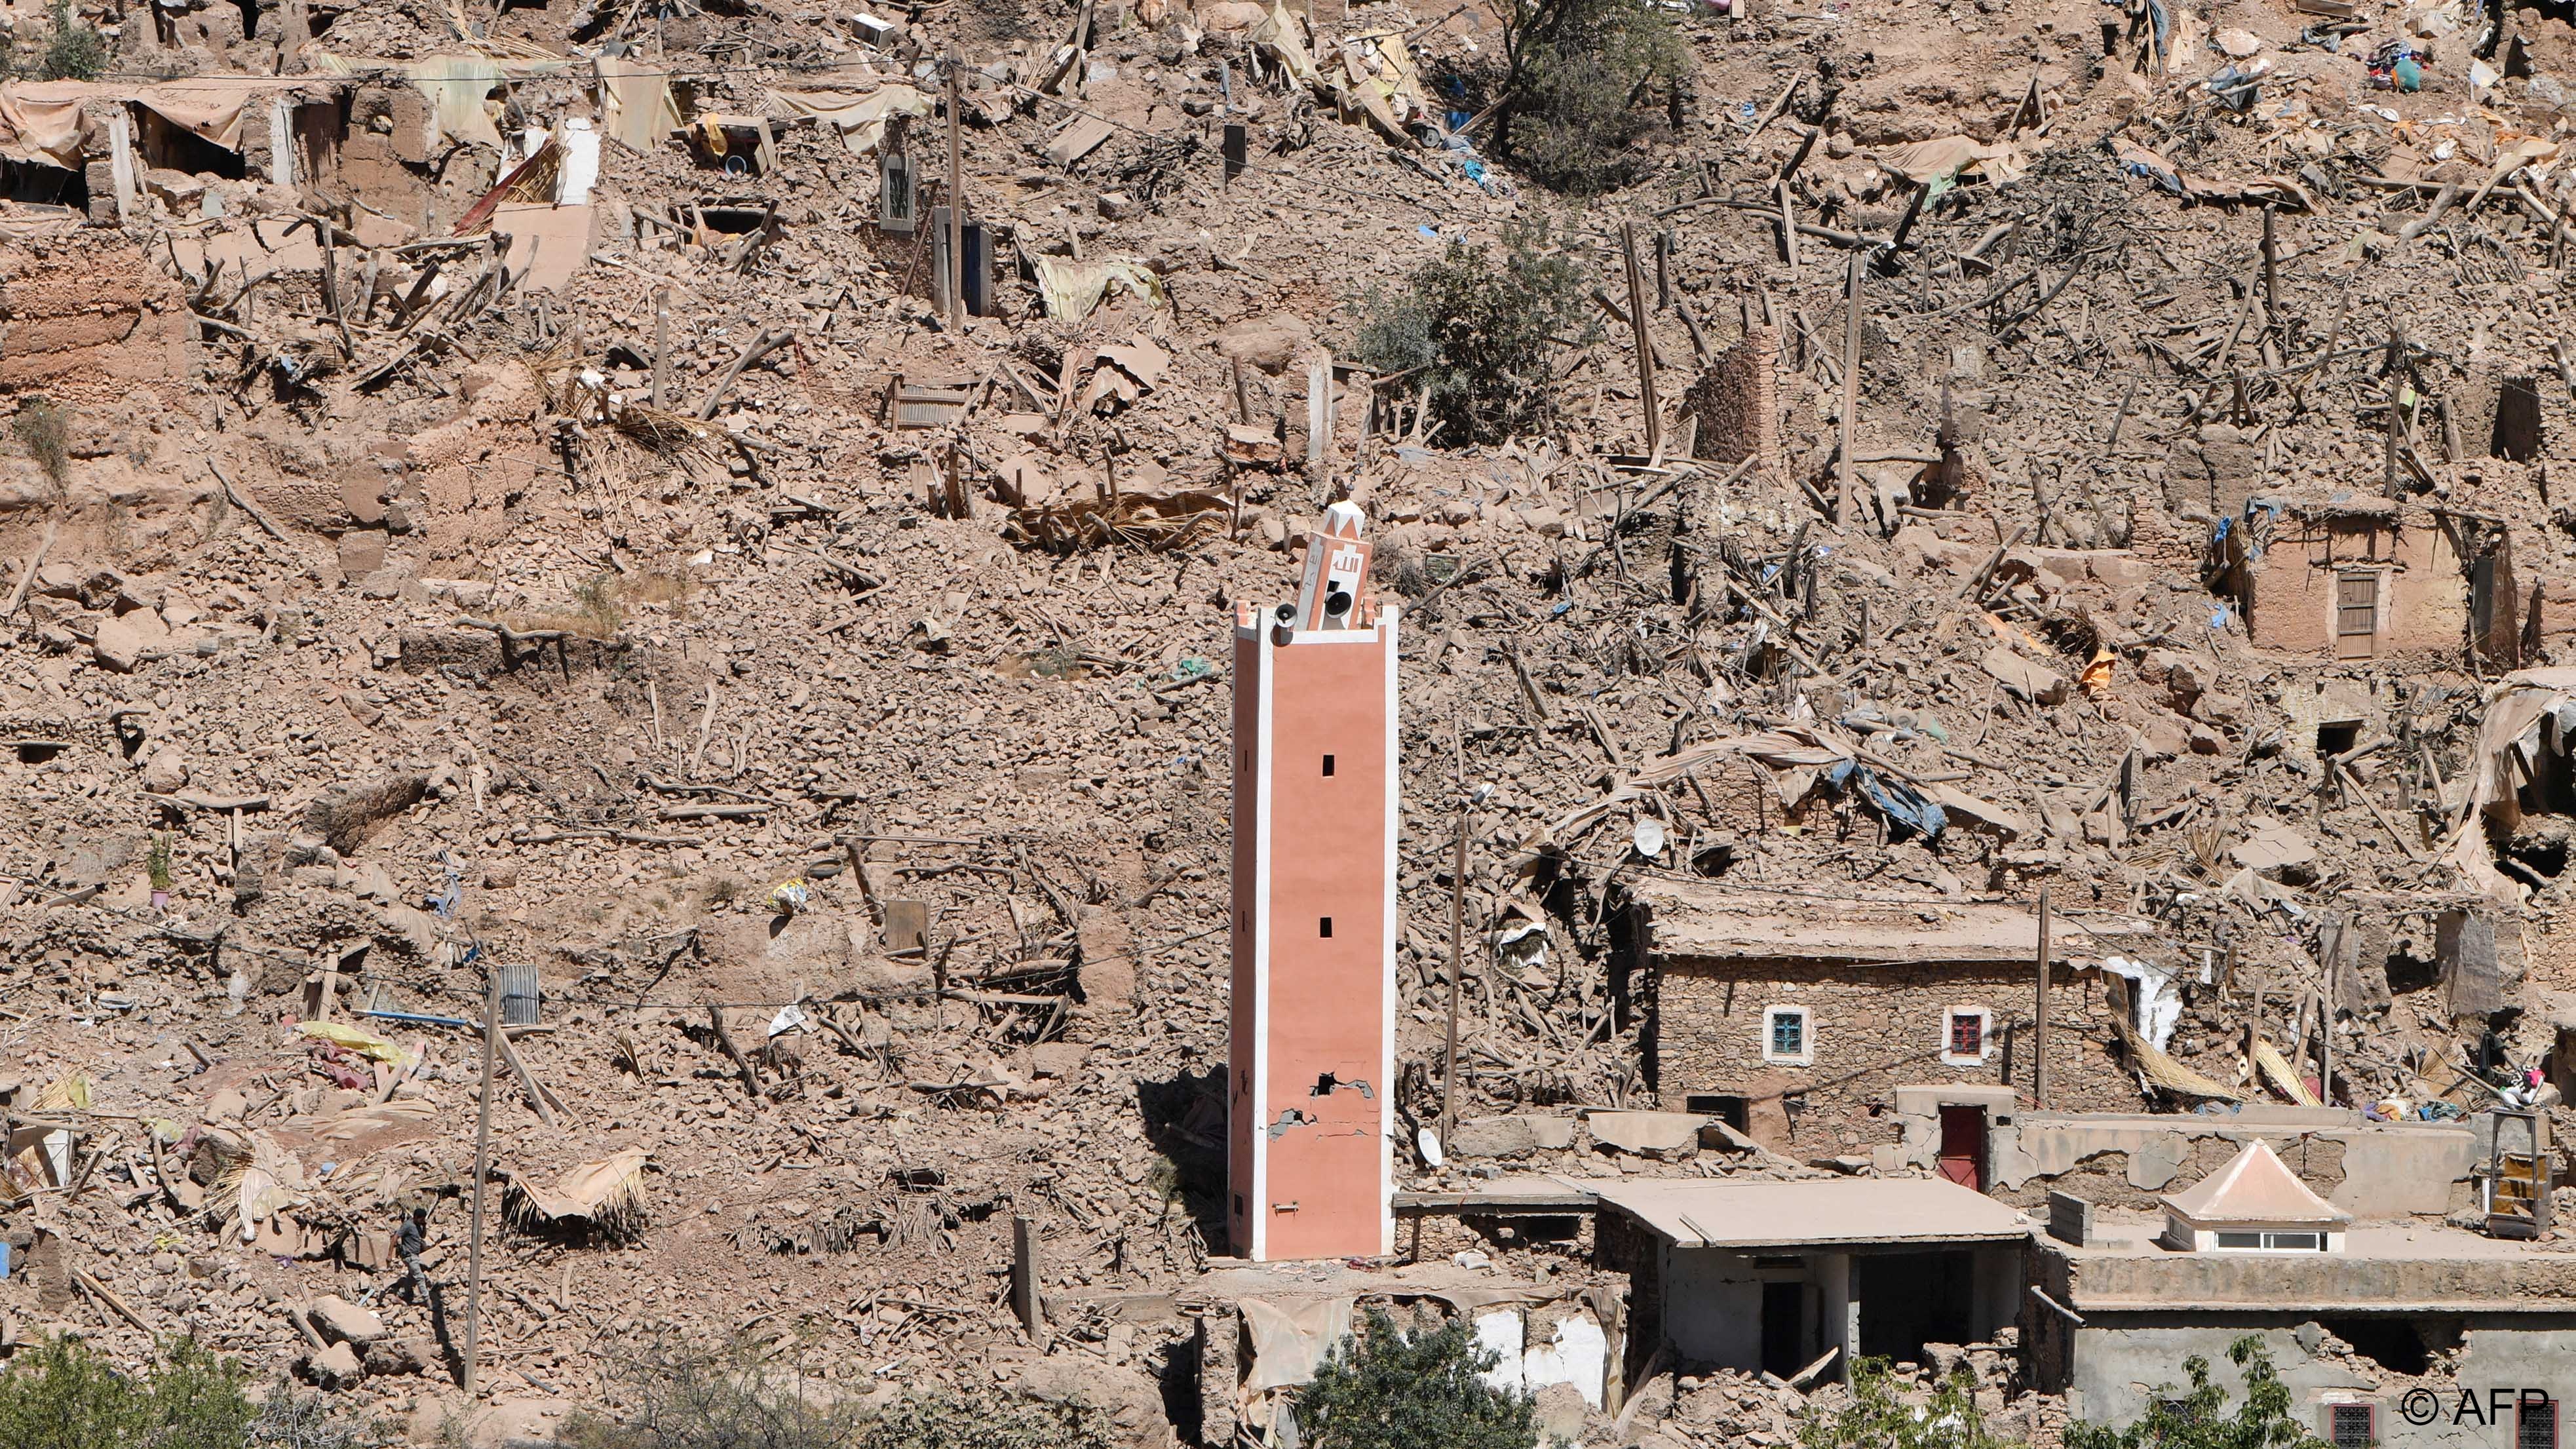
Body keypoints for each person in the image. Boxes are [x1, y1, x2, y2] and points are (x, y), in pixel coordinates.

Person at [397, 1206, 430, 1304]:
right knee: (420, 1277)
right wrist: (390, 1256)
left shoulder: (418, 1225)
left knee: (412, 1277)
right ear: (416, 1217)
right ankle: (428, 1301)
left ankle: (399, 1295)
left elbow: (423, 1236)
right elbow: (395, 1237)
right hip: (409, 1256)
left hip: (415, 1256)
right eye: (421, 1219)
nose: (422, 1221)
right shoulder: (407, 1225)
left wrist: (424, 1226)